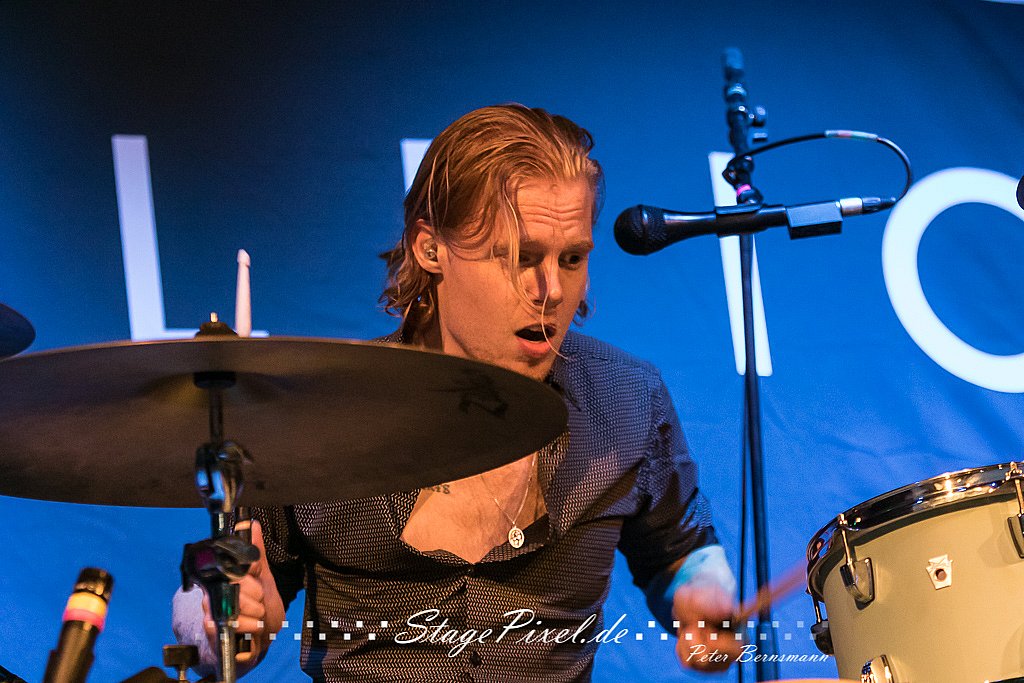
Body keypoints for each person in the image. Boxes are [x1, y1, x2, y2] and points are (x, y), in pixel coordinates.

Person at [173, 103, 740, 681]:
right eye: (519, 257)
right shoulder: (325, 411)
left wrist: (706, 600)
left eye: (572, 259)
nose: (550, 289)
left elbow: (680, 552)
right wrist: (221, 625)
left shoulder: (627, 398)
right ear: (431, 248)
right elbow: (209, 612)